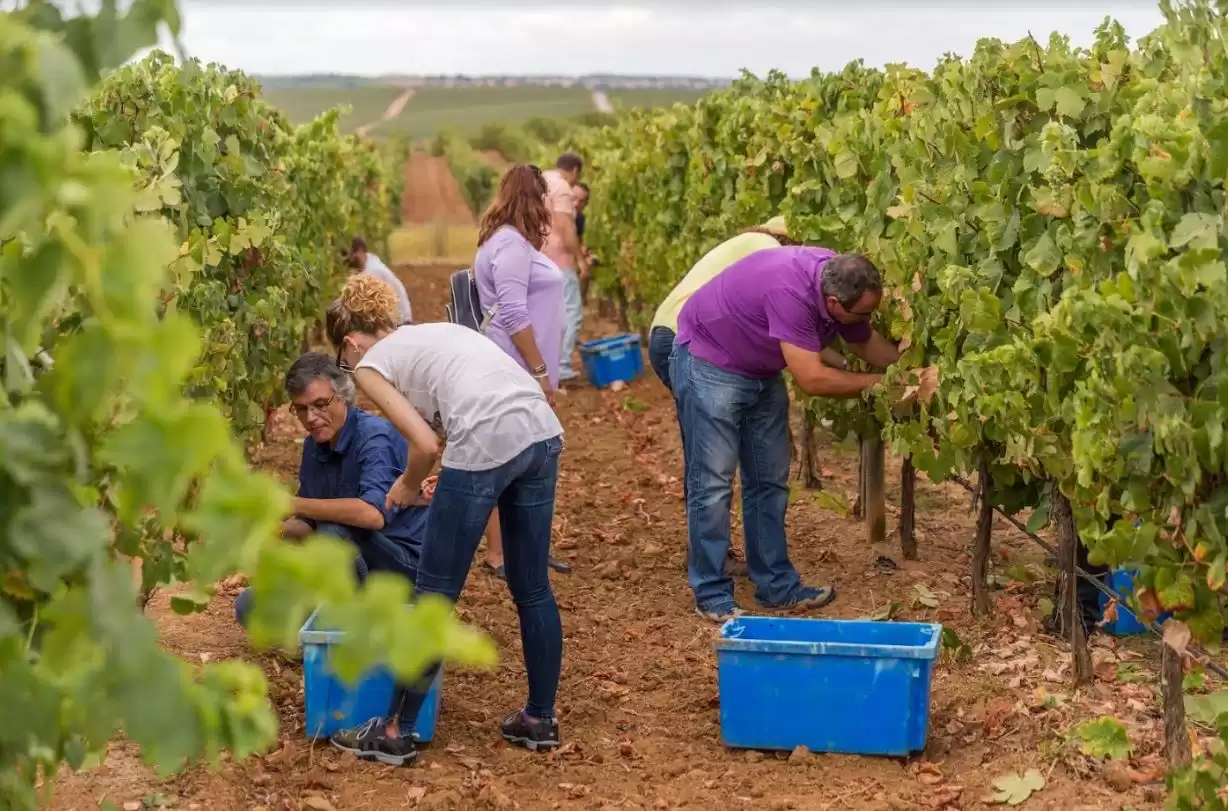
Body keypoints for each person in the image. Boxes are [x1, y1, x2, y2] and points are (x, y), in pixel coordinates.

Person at [325, 275, 565, 764]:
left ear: (350, 343)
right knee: (533, 587)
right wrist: (448, 479)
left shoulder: (370, 364)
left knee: (432, 597)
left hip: (487, 437)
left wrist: (408, 484)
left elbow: (426, 445)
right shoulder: (434, 332)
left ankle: (395, 729)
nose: (350, 372)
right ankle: (540, 719)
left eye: (343, 363)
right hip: (540, 431)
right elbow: (461, 416)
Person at [671, 248, 902, 622]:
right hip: (710, 362)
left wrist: (905, 374)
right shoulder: (791, 293)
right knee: (713, 483)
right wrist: (882, 385)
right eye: (863, 314)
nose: (867, 320)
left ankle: (776, 587)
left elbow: (862, 340)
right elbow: (812, 378)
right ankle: (711, 594)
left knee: (769, 481)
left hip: (760, 368)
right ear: (833, 303)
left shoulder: (839, 278)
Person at [646, 217, 850, 580]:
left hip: (674, 333)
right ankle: (711, 563)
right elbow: (792, 326)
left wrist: (843, 361)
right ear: (788, 240)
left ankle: (710, 554)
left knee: (709, 456)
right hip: (694, 340)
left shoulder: (751, 250)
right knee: (713, 461)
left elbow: (796, 334)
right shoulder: (773, 254)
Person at [234, 352, 427, 628]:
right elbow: (308, 523)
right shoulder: (315, 445)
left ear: (343, 395)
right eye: (301, 409)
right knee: (250, 606)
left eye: (320, 404)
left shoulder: (374, 438)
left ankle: (353, 629)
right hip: (352, 563)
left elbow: (373, 515)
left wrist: (293, 503)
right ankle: (335, 620)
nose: (311, 418)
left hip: (401, 566)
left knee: (332, 534)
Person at [472, 164, 573, 579]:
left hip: (519, 368)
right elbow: (513, 314)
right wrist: (539, 372)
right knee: (511, 460)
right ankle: (500, 556)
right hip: (514, 370)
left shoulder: (511, 242)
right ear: (534, 198)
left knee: (526, 462)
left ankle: (526, 550)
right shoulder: (510, 245)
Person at [541, 153, 586, 384]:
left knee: (547, 314)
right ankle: (562, 368)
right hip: (559, 260)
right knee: (572, 312)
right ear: (575, 171)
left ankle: (545, 366)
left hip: (539, 258)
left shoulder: (540, 181)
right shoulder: (562, 188)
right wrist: (581, 260)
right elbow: (566, 228)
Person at [347, 236, 412, 325]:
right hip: (396, 316)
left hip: (399, 320)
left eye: (351, 254)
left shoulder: (372, 272)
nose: (349, 259)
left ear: (359, 252)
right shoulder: (371, 262)